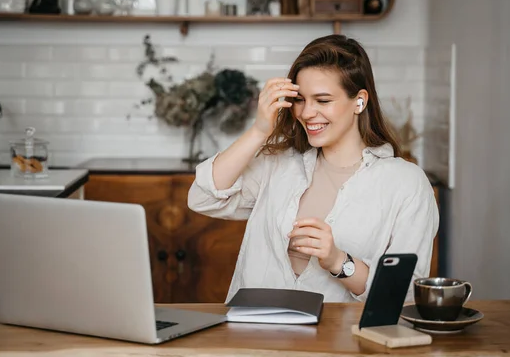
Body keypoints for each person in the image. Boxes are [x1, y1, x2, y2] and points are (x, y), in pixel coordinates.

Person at [187, 34, 439, 303]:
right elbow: (202, 198)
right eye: (300, 99)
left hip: (342, 341)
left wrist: (338, 261)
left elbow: (407, 295)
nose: (307, 113)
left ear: (359, 101)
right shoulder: (278, 164)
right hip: (255, 335)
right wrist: (260, 130)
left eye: (323, 100)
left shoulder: (405, 183)